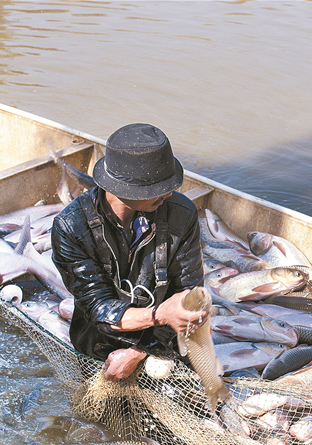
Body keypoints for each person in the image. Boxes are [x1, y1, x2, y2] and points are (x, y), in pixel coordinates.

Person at [51, 123, 206, 382]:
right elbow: (98, 308)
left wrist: (140, 351)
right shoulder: (70, 227)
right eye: (156, 188)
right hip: (98, 345)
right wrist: (159, 314)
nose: (169, 193)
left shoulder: (182, 214)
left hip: (163, 342)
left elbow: (191, 297)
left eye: (169, 185)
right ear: (120, 188)